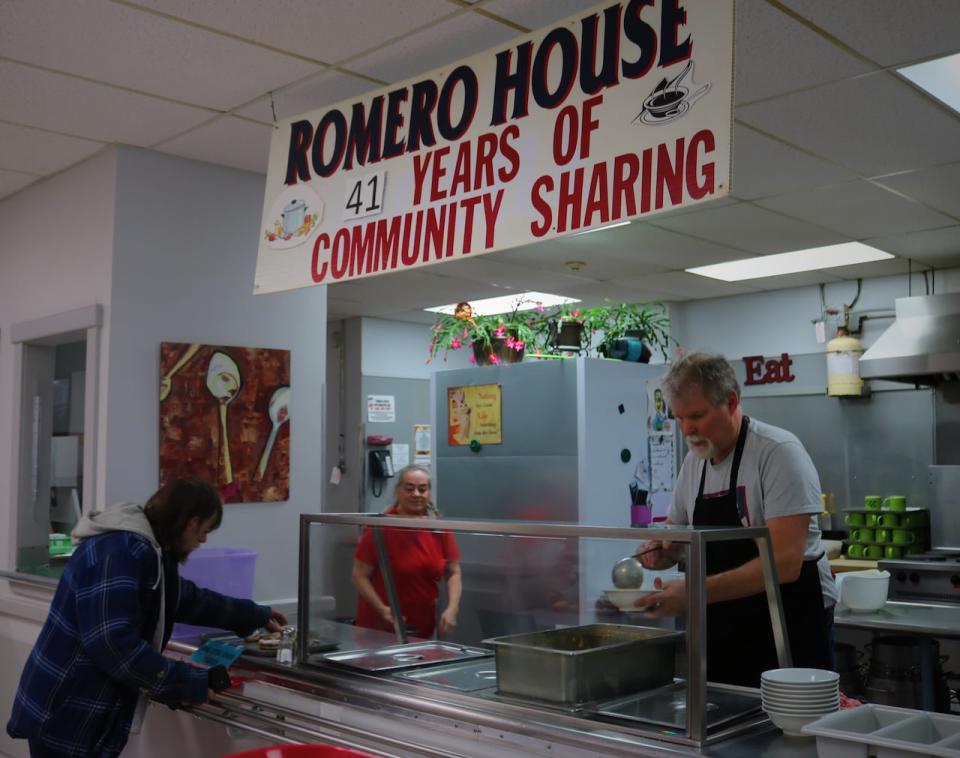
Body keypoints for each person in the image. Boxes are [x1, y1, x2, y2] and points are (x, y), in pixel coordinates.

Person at [7, 477, 287, 757]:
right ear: (190, 522)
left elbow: (185, 599)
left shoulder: (148, 550)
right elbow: (113, 645)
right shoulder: (118, 552)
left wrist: (253, 615)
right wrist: (186, 683)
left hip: (87, 707)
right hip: (68, 709)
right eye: (205, 529)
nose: (203, 540)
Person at [638, 352, 837, 687]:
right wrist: (662, 551)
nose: (688, 429)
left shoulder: (778, 453)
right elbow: (677, 532)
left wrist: (693, 594)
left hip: (785, 621)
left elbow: (785, 562)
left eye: (698, 415)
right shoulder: (694, 463)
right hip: (722, 619)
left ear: (731, 402)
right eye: (680, 418)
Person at [352, 465, 462, 639]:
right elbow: (359, 575)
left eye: (422, 489)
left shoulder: (438, 528)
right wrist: (383, 609)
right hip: (380, 628)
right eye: (409, 488)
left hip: (422, 626)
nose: (416, 494)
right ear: (398, 491)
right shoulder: (381, 527)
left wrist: (452, 609)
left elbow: (453, 571)